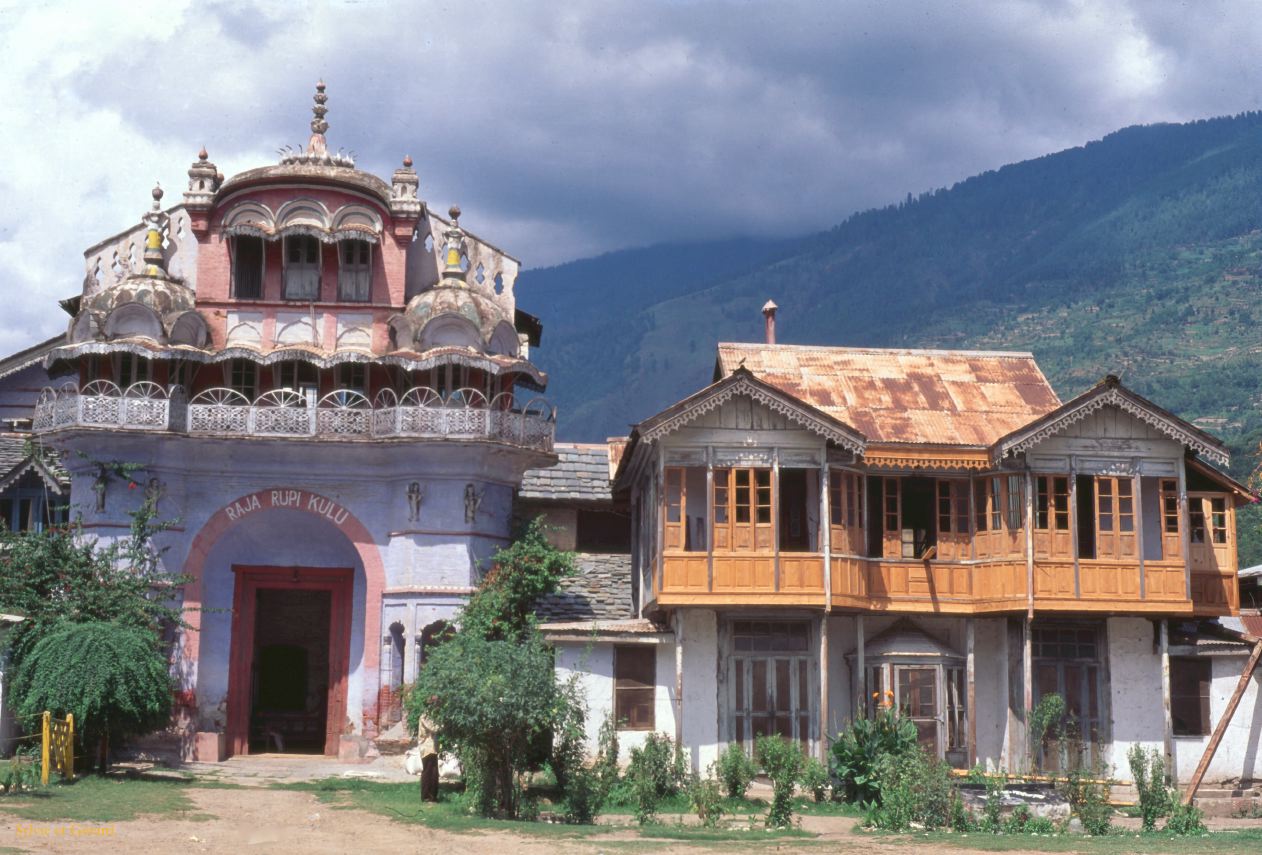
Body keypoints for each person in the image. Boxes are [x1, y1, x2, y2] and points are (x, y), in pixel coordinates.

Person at [418, 698, 440, 802]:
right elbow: (434, 728)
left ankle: (433, 796)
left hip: (433, 748)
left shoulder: (432, 716)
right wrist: (444, 723)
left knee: (434, 773)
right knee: (428, 772)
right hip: (426, 747)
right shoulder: (425, 716)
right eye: (435, 704)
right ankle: (426, 796)